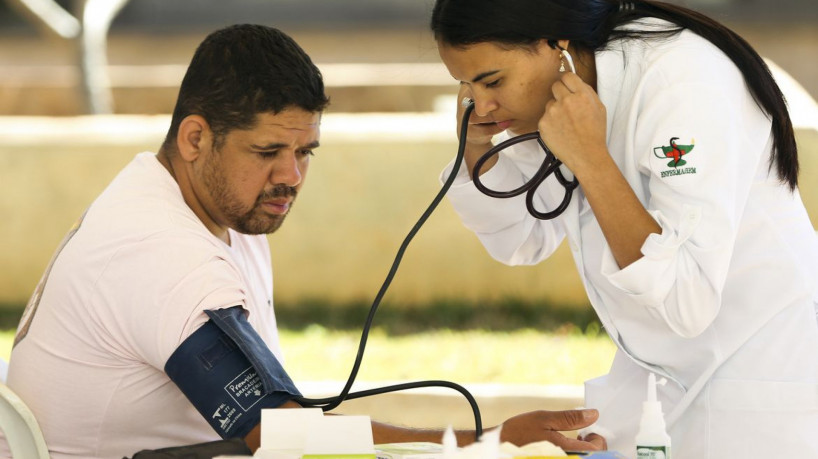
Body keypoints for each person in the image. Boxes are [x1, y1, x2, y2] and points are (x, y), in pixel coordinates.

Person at [3, 24, 605, 459]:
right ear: (194, 138)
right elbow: (282, 436)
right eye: (268, 152)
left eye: (304, 152)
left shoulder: (188, 195)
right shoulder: (161, 256)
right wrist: (488, 442)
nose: (291, 176)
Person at [430, 0, 818, 458]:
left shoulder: (682, 81)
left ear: (557, 45)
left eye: (492, 81)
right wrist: (476, 147)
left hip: (756, 384)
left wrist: (591, 159)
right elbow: (522, 239)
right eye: (466, 85)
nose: (482, 104)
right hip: (663, 383)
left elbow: (684, 299)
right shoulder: (565, 91)